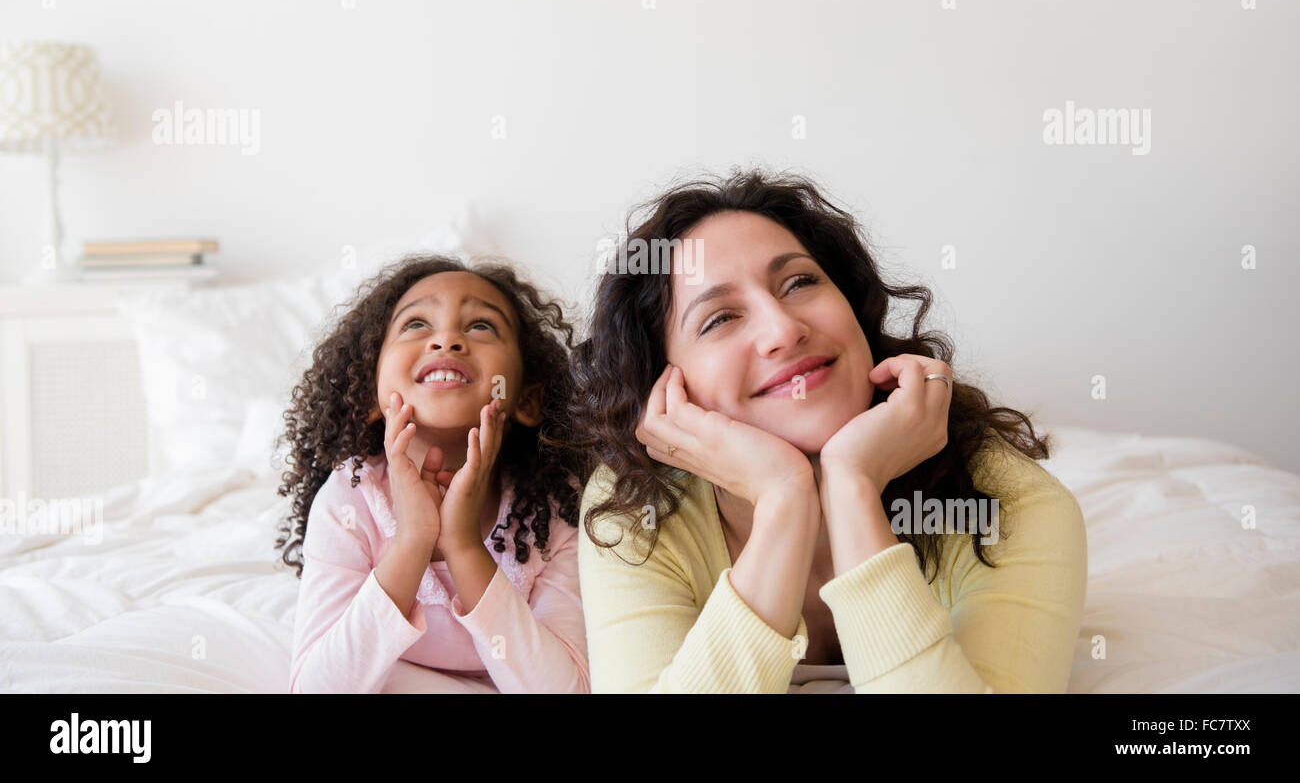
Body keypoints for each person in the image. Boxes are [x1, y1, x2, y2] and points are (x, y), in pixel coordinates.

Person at [571, 168, 1087, 693]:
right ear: (666, 389)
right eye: (720, 318)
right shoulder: (635, 512)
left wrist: (851, 485)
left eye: (800, 282)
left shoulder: (1003, 501)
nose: (783, 329)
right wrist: (784, 502)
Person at [277, 253, 589, 693]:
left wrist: (462, 547)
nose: (447, 339)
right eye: (416, 325)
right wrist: (412, 542)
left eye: (481, 326)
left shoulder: (557, 510)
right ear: (371, 396)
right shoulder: (350, 498)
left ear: (528, 400)